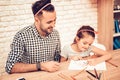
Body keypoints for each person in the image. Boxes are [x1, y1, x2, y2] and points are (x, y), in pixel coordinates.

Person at [5, 0, 61, 74]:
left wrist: (69, 57)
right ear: (36, 19)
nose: (53, 25)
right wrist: (40, 66)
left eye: (55, 20)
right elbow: (10, 66)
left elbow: (57, 58)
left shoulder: (55, 34)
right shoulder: (22, 36)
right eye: (49, 22)